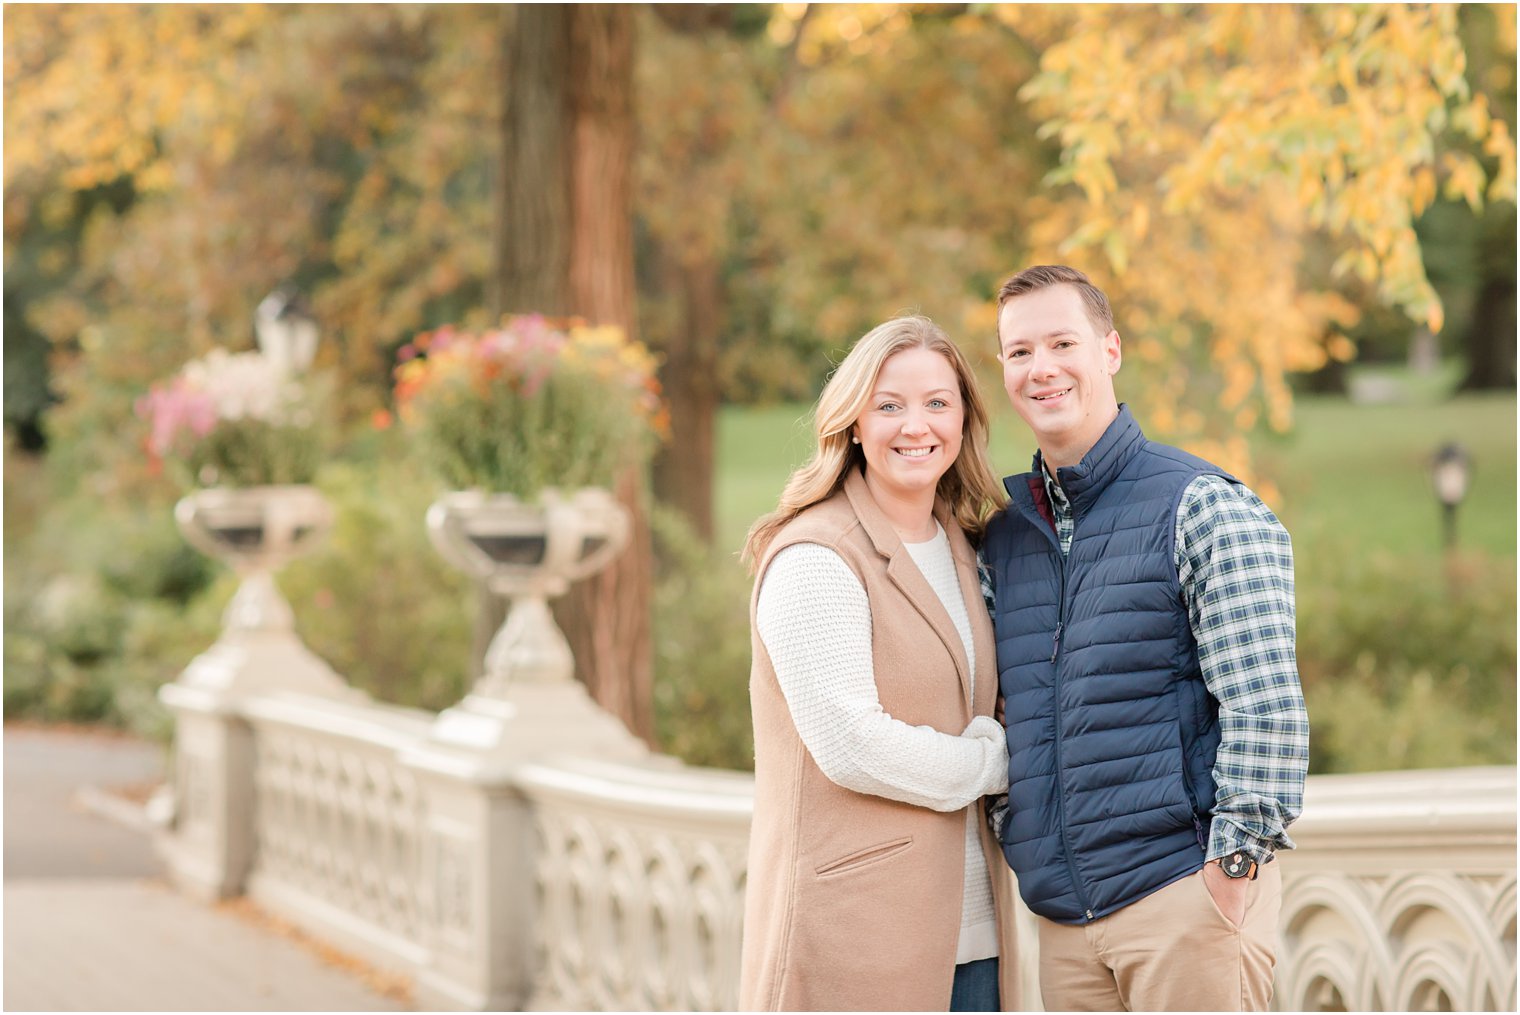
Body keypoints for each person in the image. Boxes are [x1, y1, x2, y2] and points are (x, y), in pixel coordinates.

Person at [982, 265, 1310, 1012]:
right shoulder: (1004, 538)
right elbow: (1008, 713)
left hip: (1183, 902)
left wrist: (1229, 872)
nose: (1042, 368)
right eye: (1019, 351)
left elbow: (1265, 706)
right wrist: (1021, 831)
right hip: (1064, 924)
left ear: (1110, 350)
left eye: (1063, 342)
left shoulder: (1201, 505)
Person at [739, 315, 1019, 1012]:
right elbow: (850, 744)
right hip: (857, 940)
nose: (914, 424)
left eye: (936, 403)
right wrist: (994, 762)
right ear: (853, 423)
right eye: (888, 404)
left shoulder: (965, 548)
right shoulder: (817, 555)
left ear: (962, 420)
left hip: (973, 938)